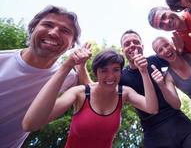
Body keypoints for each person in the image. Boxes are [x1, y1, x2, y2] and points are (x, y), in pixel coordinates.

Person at [22, 48, 158, 148]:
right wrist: (67, 66)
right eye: (104, 70)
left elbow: (151, 108)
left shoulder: (124, 93)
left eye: (116, 70)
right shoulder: (80, 93)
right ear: (96, 73)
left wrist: (144, 72)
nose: (111, 76)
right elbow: (30, 124)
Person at [0, 5, 87, 148]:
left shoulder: (68, 77)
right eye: (48, 25)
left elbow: (93, 94)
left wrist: (81, 67)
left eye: (65, 30)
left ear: (72, 44)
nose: (53, 33)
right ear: (33, 28)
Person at [120, 30, 191, 147]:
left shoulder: (154, 60)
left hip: (178, 120)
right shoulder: (121, 76)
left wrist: (180, 47)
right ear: (122, 50)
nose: (132, 45)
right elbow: (101, 89)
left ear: (142, 46)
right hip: (153, 132)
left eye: (136, 42)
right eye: (127, 44)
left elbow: (177, 55)